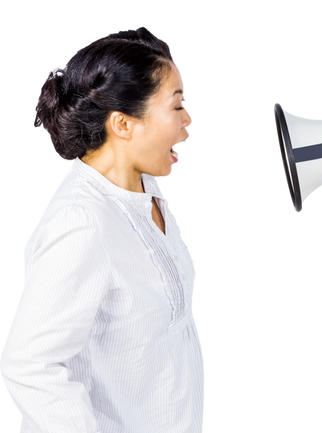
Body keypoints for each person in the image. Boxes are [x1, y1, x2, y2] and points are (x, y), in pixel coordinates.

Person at [0, 25, 205, 432]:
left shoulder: (146, 191)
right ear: (123, 124)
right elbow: (30, 365)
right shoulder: (82, 221)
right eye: (177, 106)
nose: (190, 121)